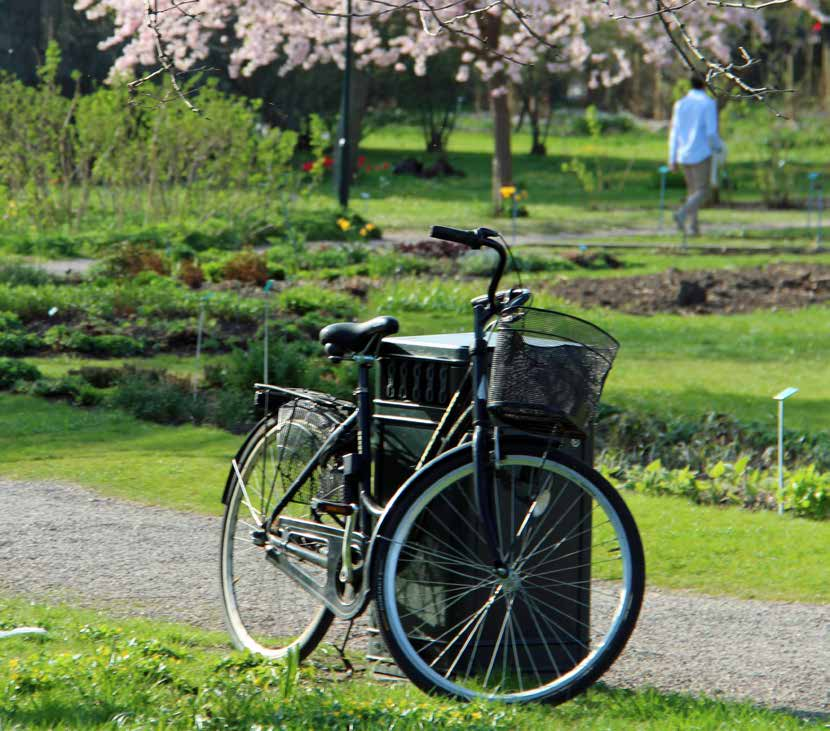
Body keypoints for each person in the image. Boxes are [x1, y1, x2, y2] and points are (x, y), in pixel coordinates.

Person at [668, 74, 722, 236]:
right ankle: (682, 214)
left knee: (692, 192)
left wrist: (672, 157)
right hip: (701, 152)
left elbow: (674, 131)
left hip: (683, 153)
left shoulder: (680, 104)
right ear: (705, 85)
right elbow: (711, 132)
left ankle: (693, 227)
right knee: (703, 191)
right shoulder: (707, 103)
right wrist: (718, 148)